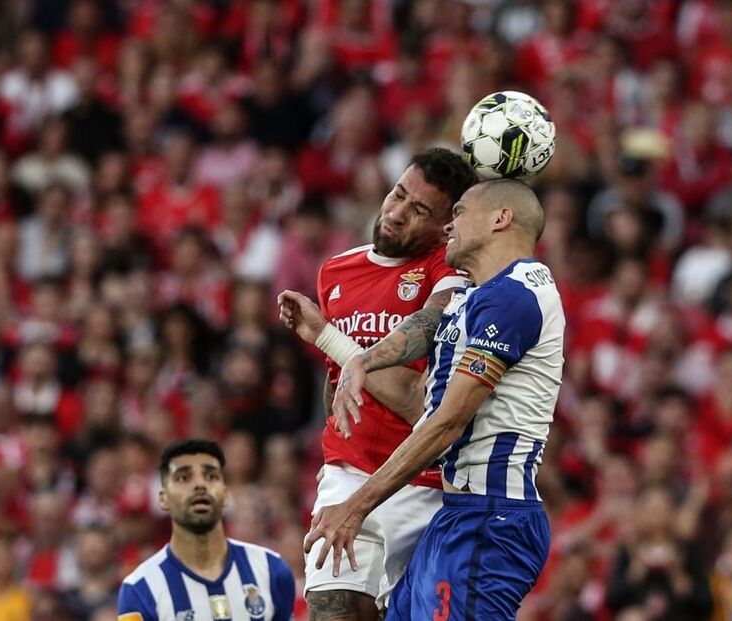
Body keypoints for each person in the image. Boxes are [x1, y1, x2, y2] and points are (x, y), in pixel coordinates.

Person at [304, 179, 565, 620]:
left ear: (501, 219)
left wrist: (357, 505)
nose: (449, 226)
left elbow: (447, 421)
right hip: (457, 513)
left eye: (459, 212)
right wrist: (357, 358)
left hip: (492, 518)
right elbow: (419, 336)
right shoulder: (477, 296)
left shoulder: (516, 296)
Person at [278, 147, 478, 619]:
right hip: (349, 473)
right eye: (399, 194)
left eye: (419, 210)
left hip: (424, 482)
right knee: (331, 607)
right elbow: (340, 385)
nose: (396, 213)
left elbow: (419, 400)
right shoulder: (335, 271)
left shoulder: (451, 274)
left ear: (446, 226)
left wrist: (331, 338)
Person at [117, 439, 296, 621]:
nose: (200, 485)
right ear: (163, 498)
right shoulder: (139, 589)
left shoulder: (271, 570)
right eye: (183, 477)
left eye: (211, 476)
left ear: (226, 494)